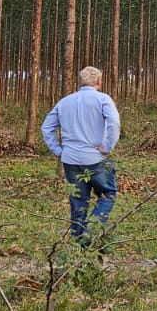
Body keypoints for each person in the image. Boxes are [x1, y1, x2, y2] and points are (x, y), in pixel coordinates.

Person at [41, 66, 122, 248]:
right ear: (99, 82)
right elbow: (114, 122)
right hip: (96, 158)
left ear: (81, 82)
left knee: (78, 201)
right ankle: (90, 230)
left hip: (70, 160)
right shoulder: (102, 99)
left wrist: (58, 150)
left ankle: (78, 247)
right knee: (108, 194)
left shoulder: (65, 102)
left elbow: (46, 127)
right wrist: (107, 147)